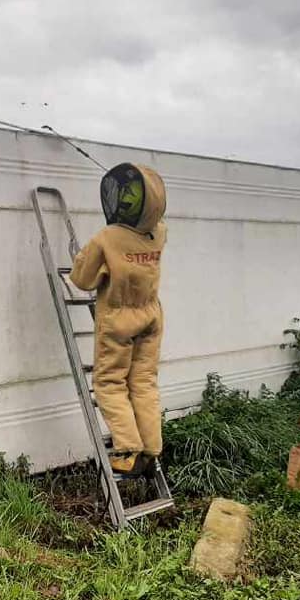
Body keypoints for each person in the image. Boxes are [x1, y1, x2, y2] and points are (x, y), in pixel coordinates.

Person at [70, 162, 167, 475]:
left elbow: (82, 280)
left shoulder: (107, 238)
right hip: (151, 316)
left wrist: (85, 257)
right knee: (143, 383)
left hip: (119, 322)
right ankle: (152, 450)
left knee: (110, 383)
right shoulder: (158, 232)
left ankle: (128, 450)